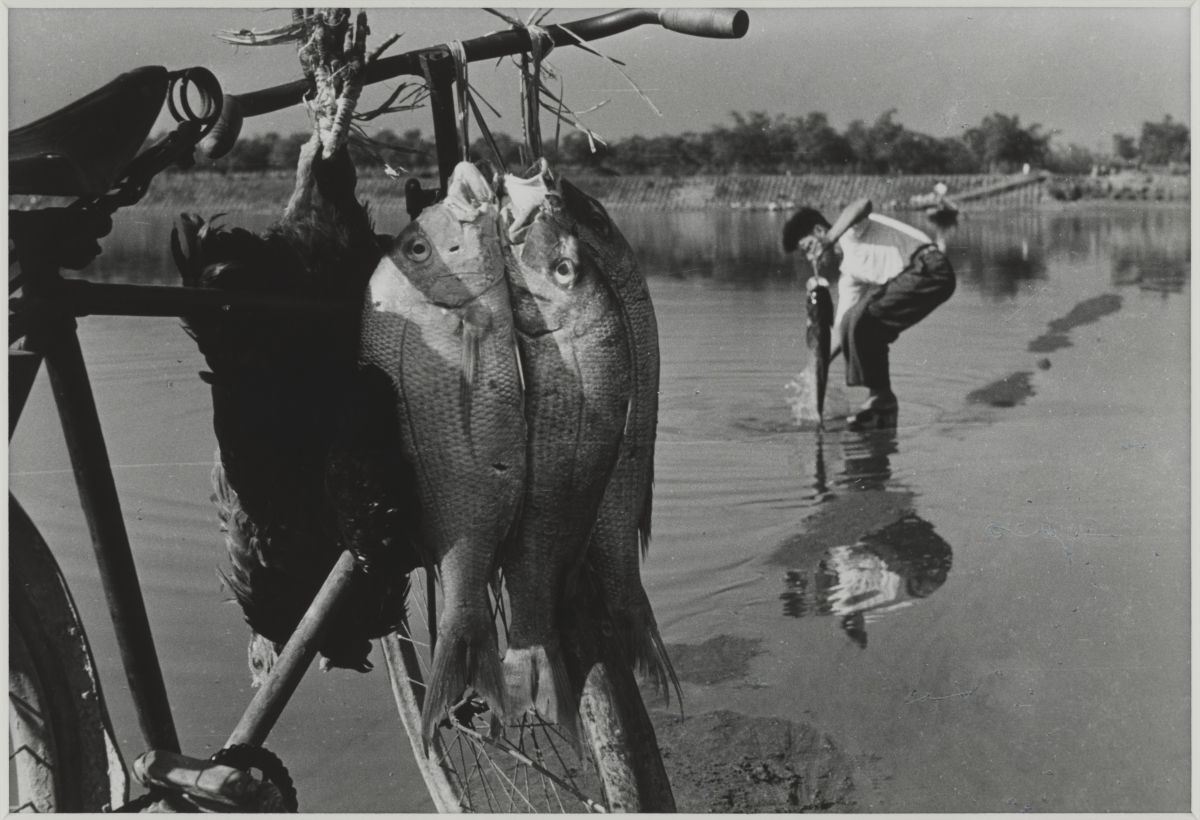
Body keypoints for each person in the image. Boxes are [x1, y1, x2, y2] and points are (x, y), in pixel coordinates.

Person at [783, 197, 956, 429]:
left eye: (808, 248)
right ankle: (882, 401)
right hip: (920, 279)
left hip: (930, 267)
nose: (810, 258)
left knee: (862, 320)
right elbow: (841, 332)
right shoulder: (849, 277)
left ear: (819, 231)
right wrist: (814, 368)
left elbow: (863, 203)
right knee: (854, 323)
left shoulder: (851, 232)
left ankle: (881, 398)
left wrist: (830, 237)